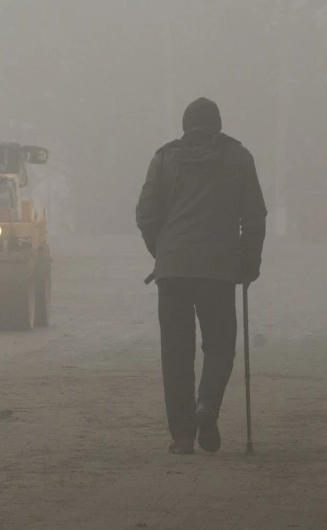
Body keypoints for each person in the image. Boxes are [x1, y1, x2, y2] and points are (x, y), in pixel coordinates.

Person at [136, 97, 267, 455]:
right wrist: (249, 264)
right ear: (219, 125)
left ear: (184, 126)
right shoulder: (240, 158)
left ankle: (181, 436)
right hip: (219, 270)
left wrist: (163, 253)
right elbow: (254, 218)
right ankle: (207, 405)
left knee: (175, 352)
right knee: (220, 345)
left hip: (173, 272)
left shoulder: (163, 159)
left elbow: (146, 214)